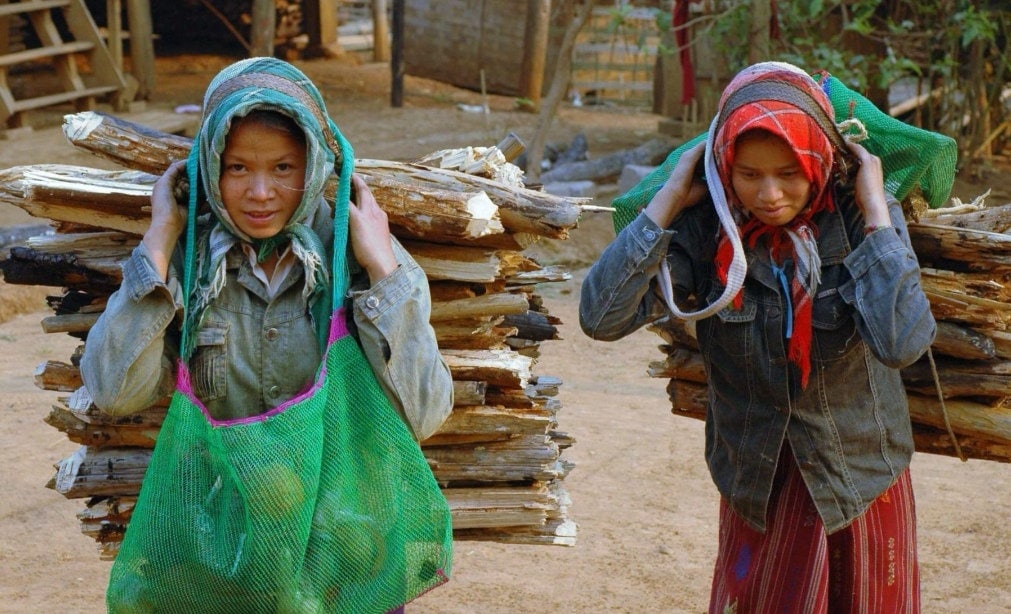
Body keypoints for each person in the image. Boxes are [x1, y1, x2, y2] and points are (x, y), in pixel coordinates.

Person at [80, 58, 453, 612]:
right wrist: (158, 242)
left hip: (342, 559)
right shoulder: (189, 264)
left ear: (316, 165)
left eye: (283, 167)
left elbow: (426, 411)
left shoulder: (358, 259)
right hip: (216, 558)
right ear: (209, 167)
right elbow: (113, 392)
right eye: (236, 168)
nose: (260, 193)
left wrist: (382, 272)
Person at [579, 61, 935, 612]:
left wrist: (875, 210)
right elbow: (602, 319)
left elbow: (902, 342)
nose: (769, 194)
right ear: (722, 166)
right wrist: (669, 198)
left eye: (788, 173)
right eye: (748, 174)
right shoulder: (707, 230)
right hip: (758, 480)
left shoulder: (861, 219)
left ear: (819, 156)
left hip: (858, 478)